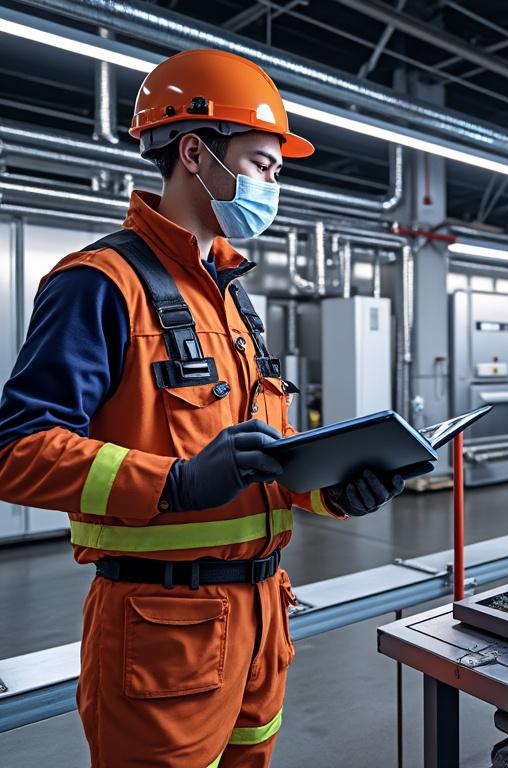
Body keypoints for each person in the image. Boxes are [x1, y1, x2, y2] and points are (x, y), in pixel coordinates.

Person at [0, 50, 404, 768]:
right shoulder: (99, 284)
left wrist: (332, 489)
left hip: (261, 622)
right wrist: (175, 483)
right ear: (195, 152)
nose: (274, 183)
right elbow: (17, 453)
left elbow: (253, 455)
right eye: (261, 164)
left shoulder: (230, 295)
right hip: (161, 635)